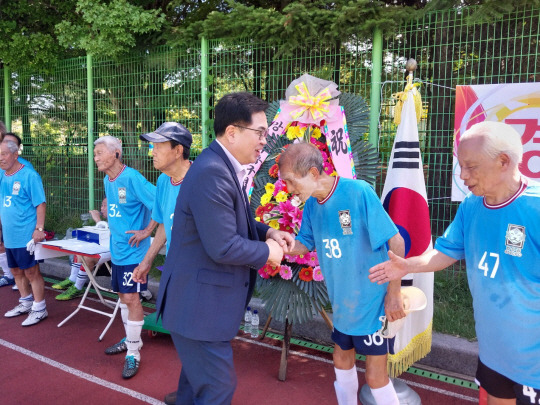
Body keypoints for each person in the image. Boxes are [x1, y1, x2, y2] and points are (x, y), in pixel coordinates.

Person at [369, 121, 540, 405]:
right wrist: (408, 265)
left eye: (471, 167)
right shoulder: (471, 207)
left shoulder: (535, 207)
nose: (463, 176)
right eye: (460, 166)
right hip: (494, 353)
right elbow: (445, 252)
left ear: (504, 161)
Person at [155, 92, 292, 405]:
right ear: (232, 132)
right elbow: (224, 246)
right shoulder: (213, 172)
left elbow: (233, 224)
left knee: (194, 388)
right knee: (217, 389)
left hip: (199, 305)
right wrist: (269, 253)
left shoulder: (220, 165)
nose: (265, 141)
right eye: (260, 133)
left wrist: (269, 230)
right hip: (198, 307)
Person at [278, 142, 405, 405]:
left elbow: (397, 242)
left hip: (371, 301)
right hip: (343, 302)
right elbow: (305, 242)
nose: (288, 190)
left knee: (375, 376)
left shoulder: (358, 192)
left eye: (291, 182)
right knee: (341, 360)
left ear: (313, 174)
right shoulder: (312, 204)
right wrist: (283, 245)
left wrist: (394, 292)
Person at [93, 135, 156, 379]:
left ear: (116, 154)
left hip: (134, 252)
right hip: (118, 250)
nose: (95, 157)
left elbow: (157, 203)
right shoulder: (109, 179)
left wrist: (147, 231)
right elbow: (117, 203)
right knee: (122, 297)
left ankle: (133, 352)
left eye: (99, 153)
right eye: (95, 153)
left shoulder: (132, 178)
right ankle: (133, 339)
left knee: (132, 298)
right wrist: (106, 206)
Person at [0, 140, 48, 326]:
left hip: (26, 234)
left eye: (4, 154)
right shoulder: (2, 176)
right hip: (10, 234)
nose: (1, 158)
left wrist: (39, 229)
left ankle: (40, 308)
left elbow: (40, 203)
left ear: (15, 155)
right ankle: (26, 302)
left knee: (31, 271)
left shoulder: (29, 175)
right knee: (15, 271)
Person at [52, 198, 108, 300]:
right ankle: (73, 279)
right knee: (80, 249)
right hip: (105, 254)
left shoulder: (119, 221)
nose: (101, 208)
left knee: (87, 257)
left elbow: (107, 238)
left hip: (114, 260)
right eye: (101, 205)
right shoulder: (109, 220)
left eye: (105, 206)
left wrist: (98, 221)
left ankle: (78, 287)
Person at [0, 126, 33, 289]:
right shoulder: (3, 166)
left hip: (22, 225)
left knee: (29, 268)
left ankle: (35, 302)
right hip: (6, 216)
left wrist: (39, 227)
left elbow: (38, 201)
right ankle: (10, 276)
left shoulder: (26, 169)